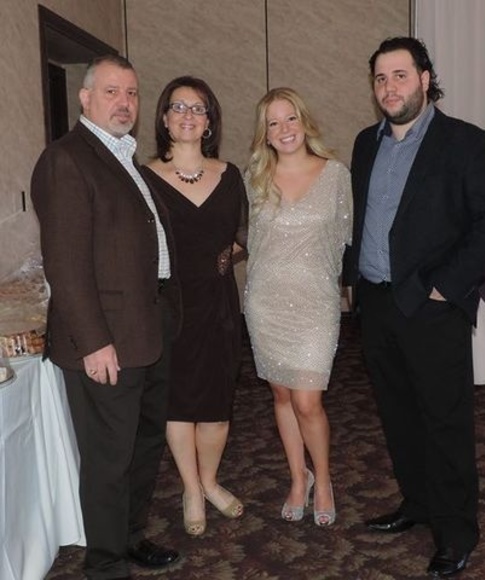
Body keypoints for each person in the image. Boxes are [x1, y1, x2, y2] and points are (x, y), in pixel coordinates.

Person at [343, 37, 485, 577]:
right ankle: (417, 502)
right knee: (398, 415)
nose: (389, 87)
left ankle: (457, 529)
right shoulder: (365, 143)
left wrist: (445, 287)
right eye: (380, 78)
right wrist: (352, 280)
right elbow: (362, 218)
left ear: (424, 78)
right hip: (376, 303)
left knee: (445, 421)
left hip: (432, 307)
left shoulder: (466, 142)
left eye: (399, 75)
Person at [31, 55, 181, 579]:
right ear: (85, 97)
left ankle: (130, 537)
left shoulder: (125, 158)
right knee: (109, 459)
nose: (125, 103)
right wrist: (94, 341)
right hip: (106, 340)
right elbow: (66, 264)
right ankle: (106, 564)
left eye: (132, 93)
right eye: (112, 91)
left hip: (148, 329)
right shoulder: (66, 159)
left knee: (144, 446)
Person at [142, 76, 248, 537]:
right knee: (179, 402)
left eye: (198, 108)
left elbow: (243, 235)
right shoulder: (143, 177)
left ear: (209, 122)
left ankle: (210, 481)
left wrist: (224, 258)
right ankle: (191, 488)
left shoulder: (230, 175)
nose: (188, 115)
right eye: (178, 107)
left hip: (219, 304)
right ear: (165, 119)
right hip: (170, 305)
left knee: (217, 404)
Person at [244, 87, 352, 527]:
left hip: (315, 304)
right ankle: (297, 477)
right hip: (265, 302)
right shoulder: (255, 177)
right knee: (282, 395)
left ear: (304, 122)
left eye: (290, 118)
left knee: (308, 401)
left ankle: (322, 479)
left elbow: (344, 239)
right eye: (273, 123)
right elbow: (246, 238)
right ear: (265, 134)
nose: (284, 129)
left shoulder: (335, 174)